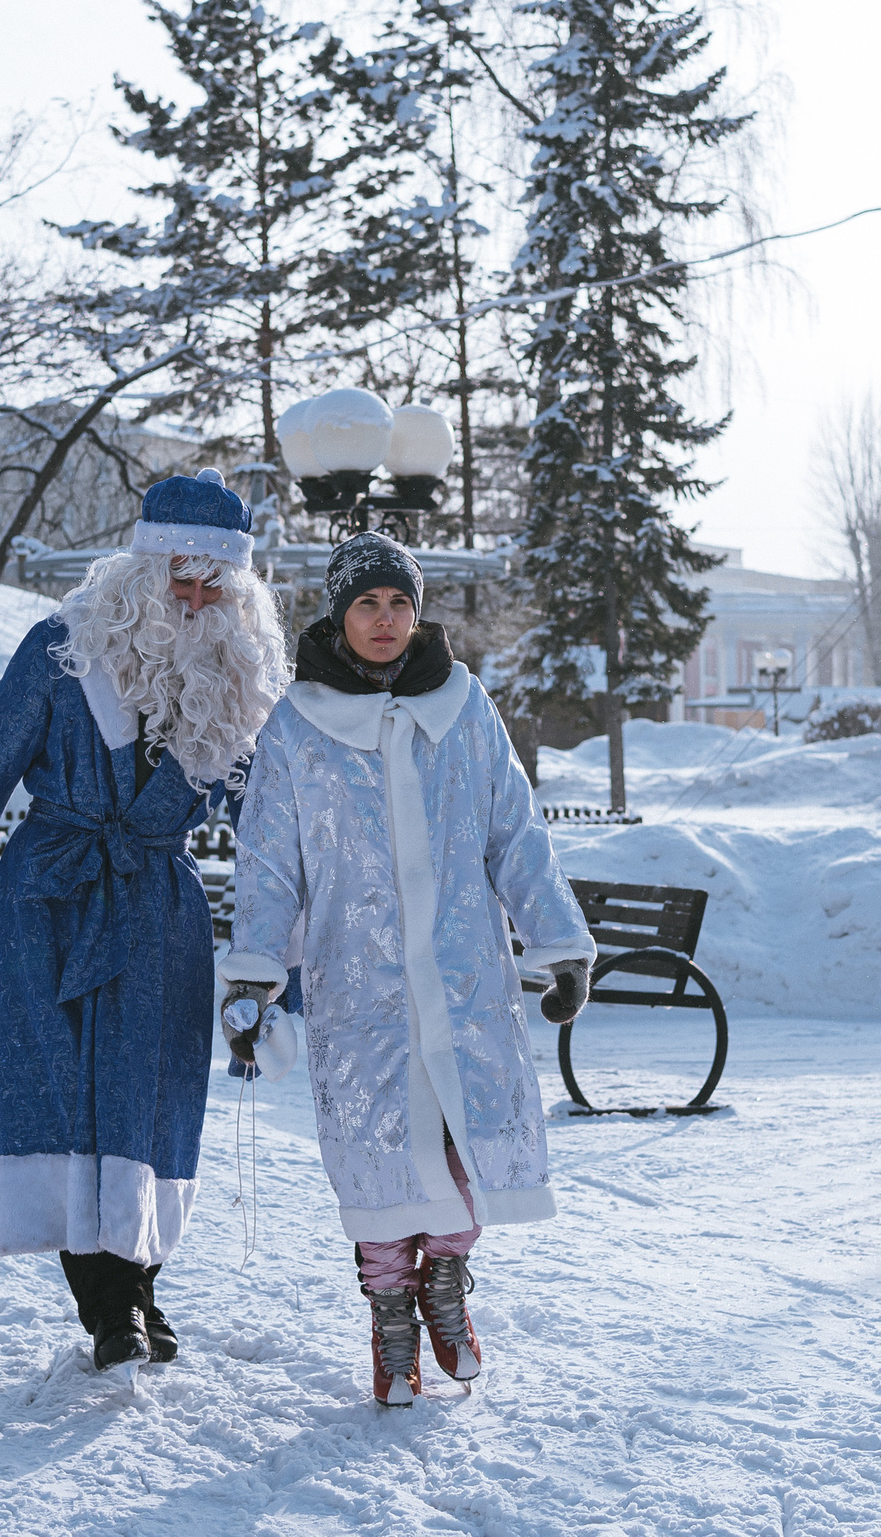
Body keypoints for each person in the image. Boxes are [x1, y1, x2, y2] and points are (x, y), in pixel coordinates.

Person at [0, 469, 290, 1375]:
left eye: (210, 587)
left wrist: (294, 929)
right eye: (177, 581)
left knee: (149, 1103)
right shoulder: (61, 649)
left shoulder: (235, 686)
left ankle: (139, 1288)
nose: (191, 602)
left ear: (235, 595)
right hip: (55, 897)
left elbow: (271, 820)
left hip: (159, 907)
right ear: (142, 575)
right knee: (67, 1098)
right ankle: (109, 1305)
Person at [224, 532, 597, 1407]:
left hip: (465, 982)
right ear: (339, 614)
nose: (385, 620)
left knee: (463, 1150)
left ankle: (444, 1286)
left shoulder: (465, 709)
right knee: (379, 1155)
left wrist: (557, 943)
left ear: (418, 612)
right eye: (367, 604)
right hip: (364, 990)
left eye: (399, 603)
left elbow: (516, 833)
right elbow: (270, 861)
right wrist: (253, 973)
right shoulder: (297, 726)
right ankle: (390, 1312)